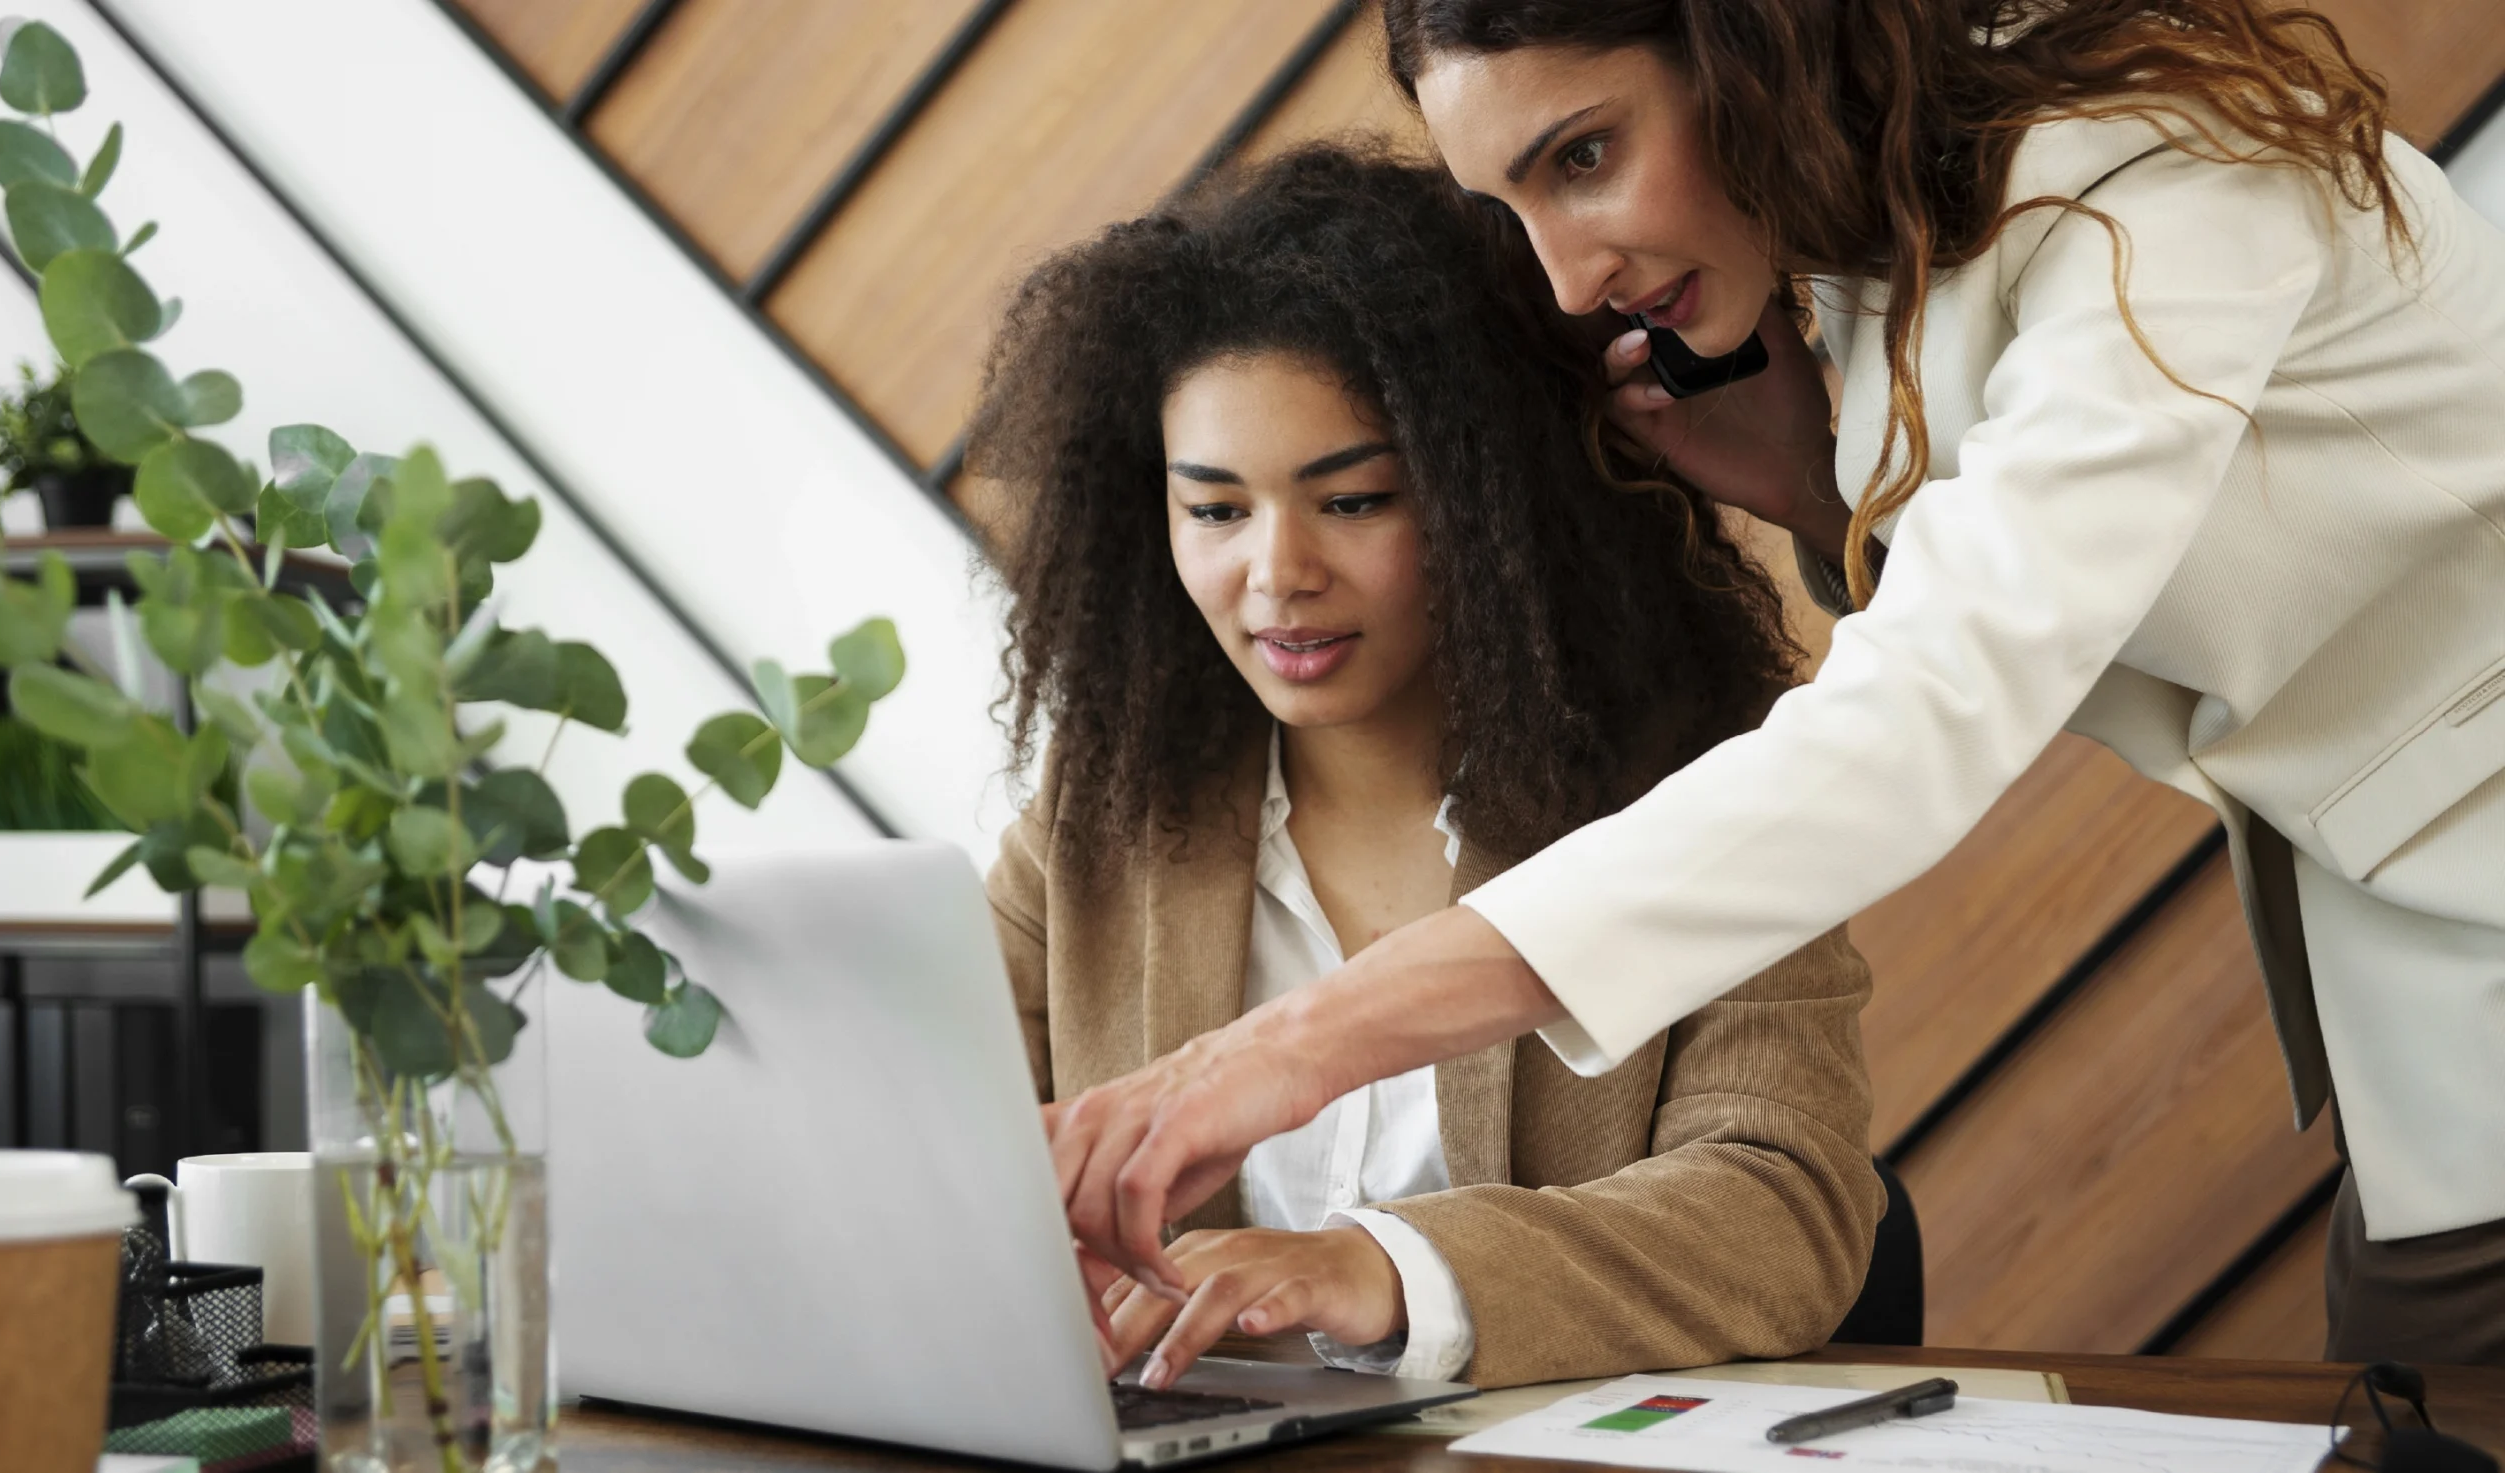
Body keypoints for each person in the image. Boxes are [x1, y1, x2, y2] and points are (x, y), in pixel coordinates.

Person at [1044, 0, 2505, 1366]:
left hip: (2463, 902)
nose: (1567, 276)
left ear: (1744, 43)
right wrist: (1820, 488)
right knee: (2412, 1369)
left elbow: (1926, 711)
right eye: (1514, 204)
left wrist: (1296, 1048)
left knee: (2420, 1376)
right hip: (2414, 949)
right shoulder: (1885, 217)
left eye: (1586, 156)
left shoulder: (2158, 181)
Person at [969, 146, 1884, 1390]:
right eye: (1217, 510)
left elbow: (1786, 1213)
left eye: (1353, 503)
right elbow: (938, 1159)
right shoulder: (1102, 819)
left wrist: (1381, 1269)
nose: (1277, 574)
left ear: (1486, 504)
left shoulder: (1700, 794)